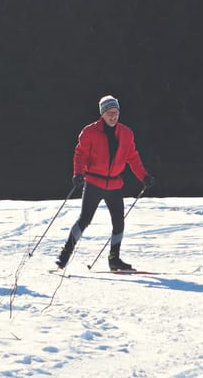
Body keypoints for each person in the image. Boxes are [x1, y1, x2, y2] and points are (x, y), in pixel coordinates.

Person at [56, 95, 155, 271]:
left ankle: (114, 259)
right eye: (109, 113)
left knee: (119, 223)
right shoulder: (89, 132)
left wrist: (144, 176)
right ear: (102, 114)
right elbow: (80, 154)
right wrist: (78, 174)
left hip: (115, 185)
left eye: (116, 113)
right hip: (94, 182)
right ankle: (64, 255)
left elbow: (132, 157)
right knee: (85, 219)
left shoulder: (126, 133)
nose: (113, 116)